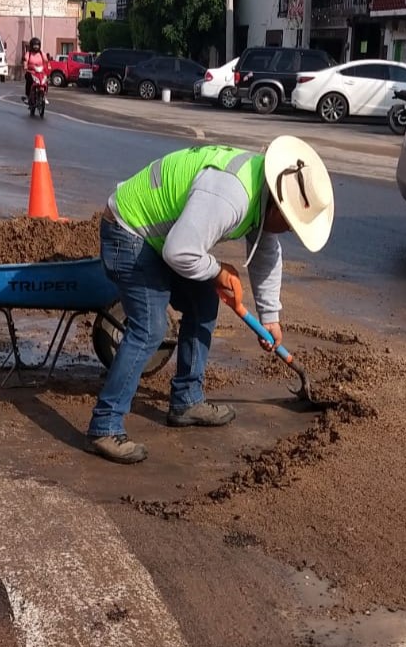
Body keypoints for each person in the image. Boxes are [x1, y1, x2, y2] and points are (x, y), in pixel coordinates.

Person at [86, 137, 335, 464]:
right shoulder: (231, 196)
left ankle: (187, 400)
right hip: (129, 233)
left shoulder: (259, 187)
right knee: (150, 328)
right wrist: (218, 271)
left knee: (204, 301)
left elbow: (265, 251)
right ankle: (105, 425)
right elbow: (181, 252)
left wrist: (270, 317)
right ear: (277, 201)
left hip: (162, 238)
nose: (288, 231)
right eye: (289, 223)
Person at [23, 38, 47, 103]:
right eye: (34, 45)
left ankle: (44, 96)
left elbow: (46, 60)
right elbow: (25, 60)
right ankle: (28, 96)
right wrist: (25, 66)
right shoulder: (29, 53)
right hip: (31, 71)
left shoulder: (41, 53)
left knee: (45, 82)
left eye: (37, 45)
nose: (36, 47)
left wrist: (48, 66)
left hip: (40, 72)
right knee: (29, 82)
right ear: (31, 46)